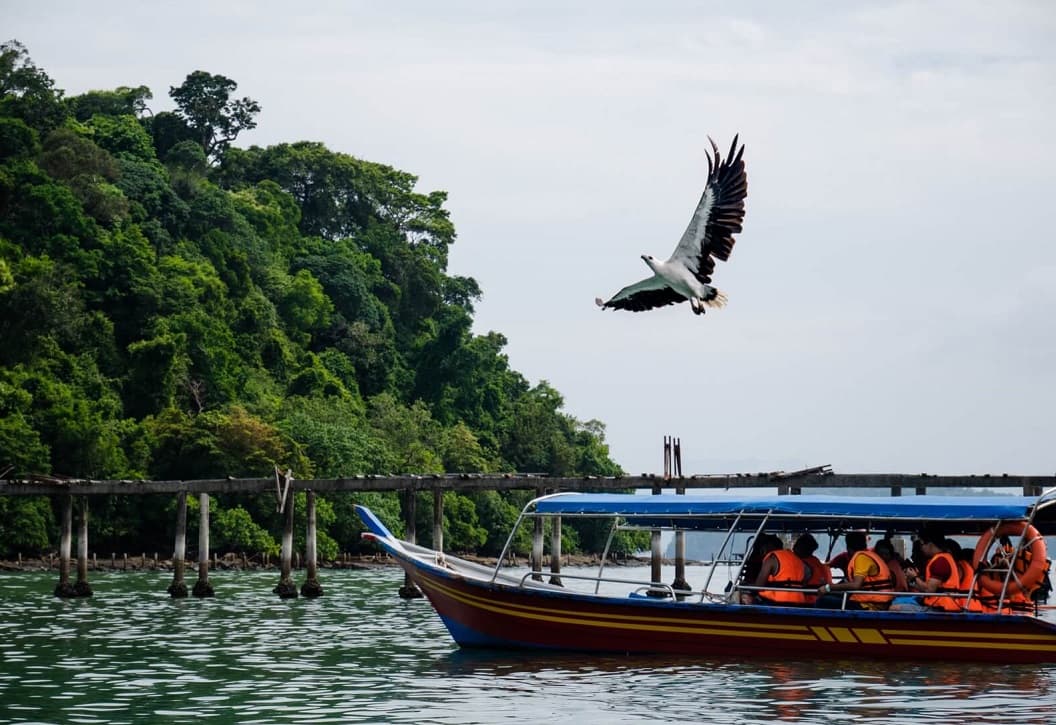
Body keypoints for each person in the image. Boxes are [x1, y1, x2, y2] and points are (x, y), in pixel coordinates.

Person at [815, 531, 894, 610]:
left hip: (870, 605)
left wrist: (828, 587)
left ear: (848, 548)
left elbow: (856, 585)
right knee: (834, 596)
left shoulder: (861, 558)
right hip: (881, 601)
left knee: (822, 601)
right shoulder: (871, 555)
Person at [907, 530, 962, 612]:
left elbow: (929, 590)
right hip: (936, 605)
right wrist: (911, 581)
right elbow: (926, 588)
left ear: (930, 544)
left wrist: (915, 577)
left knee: (895, 608)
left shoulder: (940, 562)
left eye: (922, 544)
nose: (921, 548)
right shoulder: (941, 558)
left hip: (940, 608)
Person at [750, 535, 808, 605]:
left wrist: (746, 587)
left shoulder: (771, 559)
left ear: (768, 546)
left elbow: (758, 587)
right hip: (799, 602)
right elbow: (804, 582)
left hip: (778, 603)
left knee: (747, 597)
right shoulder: (797, 559)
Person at [794, 533, 830, 604]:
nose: (793, 548)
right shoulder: (817, 563)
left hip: (808, 601)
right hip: (822, 599)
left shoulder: (803, 565)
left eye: (796, 546)